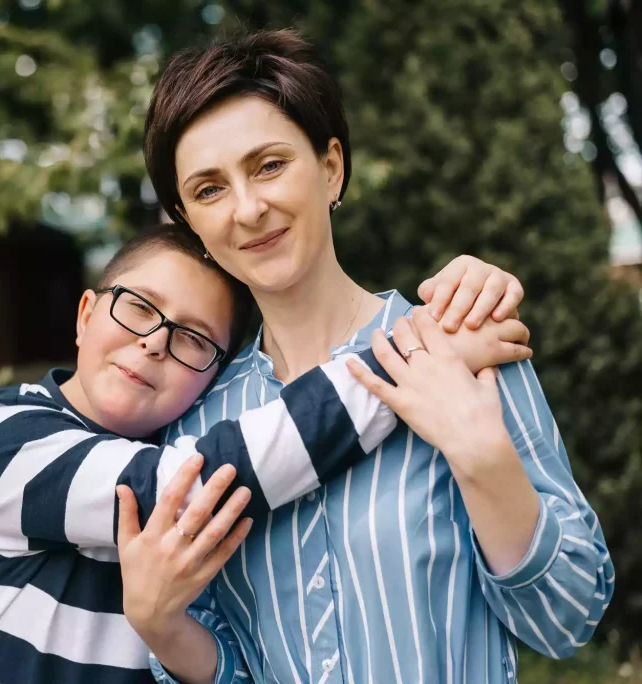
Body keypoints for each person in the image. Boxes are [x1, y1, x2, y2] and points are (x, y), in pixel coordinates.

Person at [117, 29, 614, 684]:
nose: (249, 208)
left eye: (269, 165)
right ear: (188, 222)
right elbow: (230, 666)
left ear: (331, 168)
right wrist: (160, 625)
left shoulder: (462, 344)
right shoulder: (200, 428)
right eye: (210, 190)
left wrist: (481, 457)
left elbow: (568, 618)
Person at [0, 222, 531, 683]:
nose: (155, 342)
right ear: (86, 314)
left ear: (212, 380)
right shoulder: (1, 436)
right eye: (138, 306)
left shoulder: (181, 435)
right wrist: (420, 354)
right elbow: (186, 487)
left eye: (193, 337)